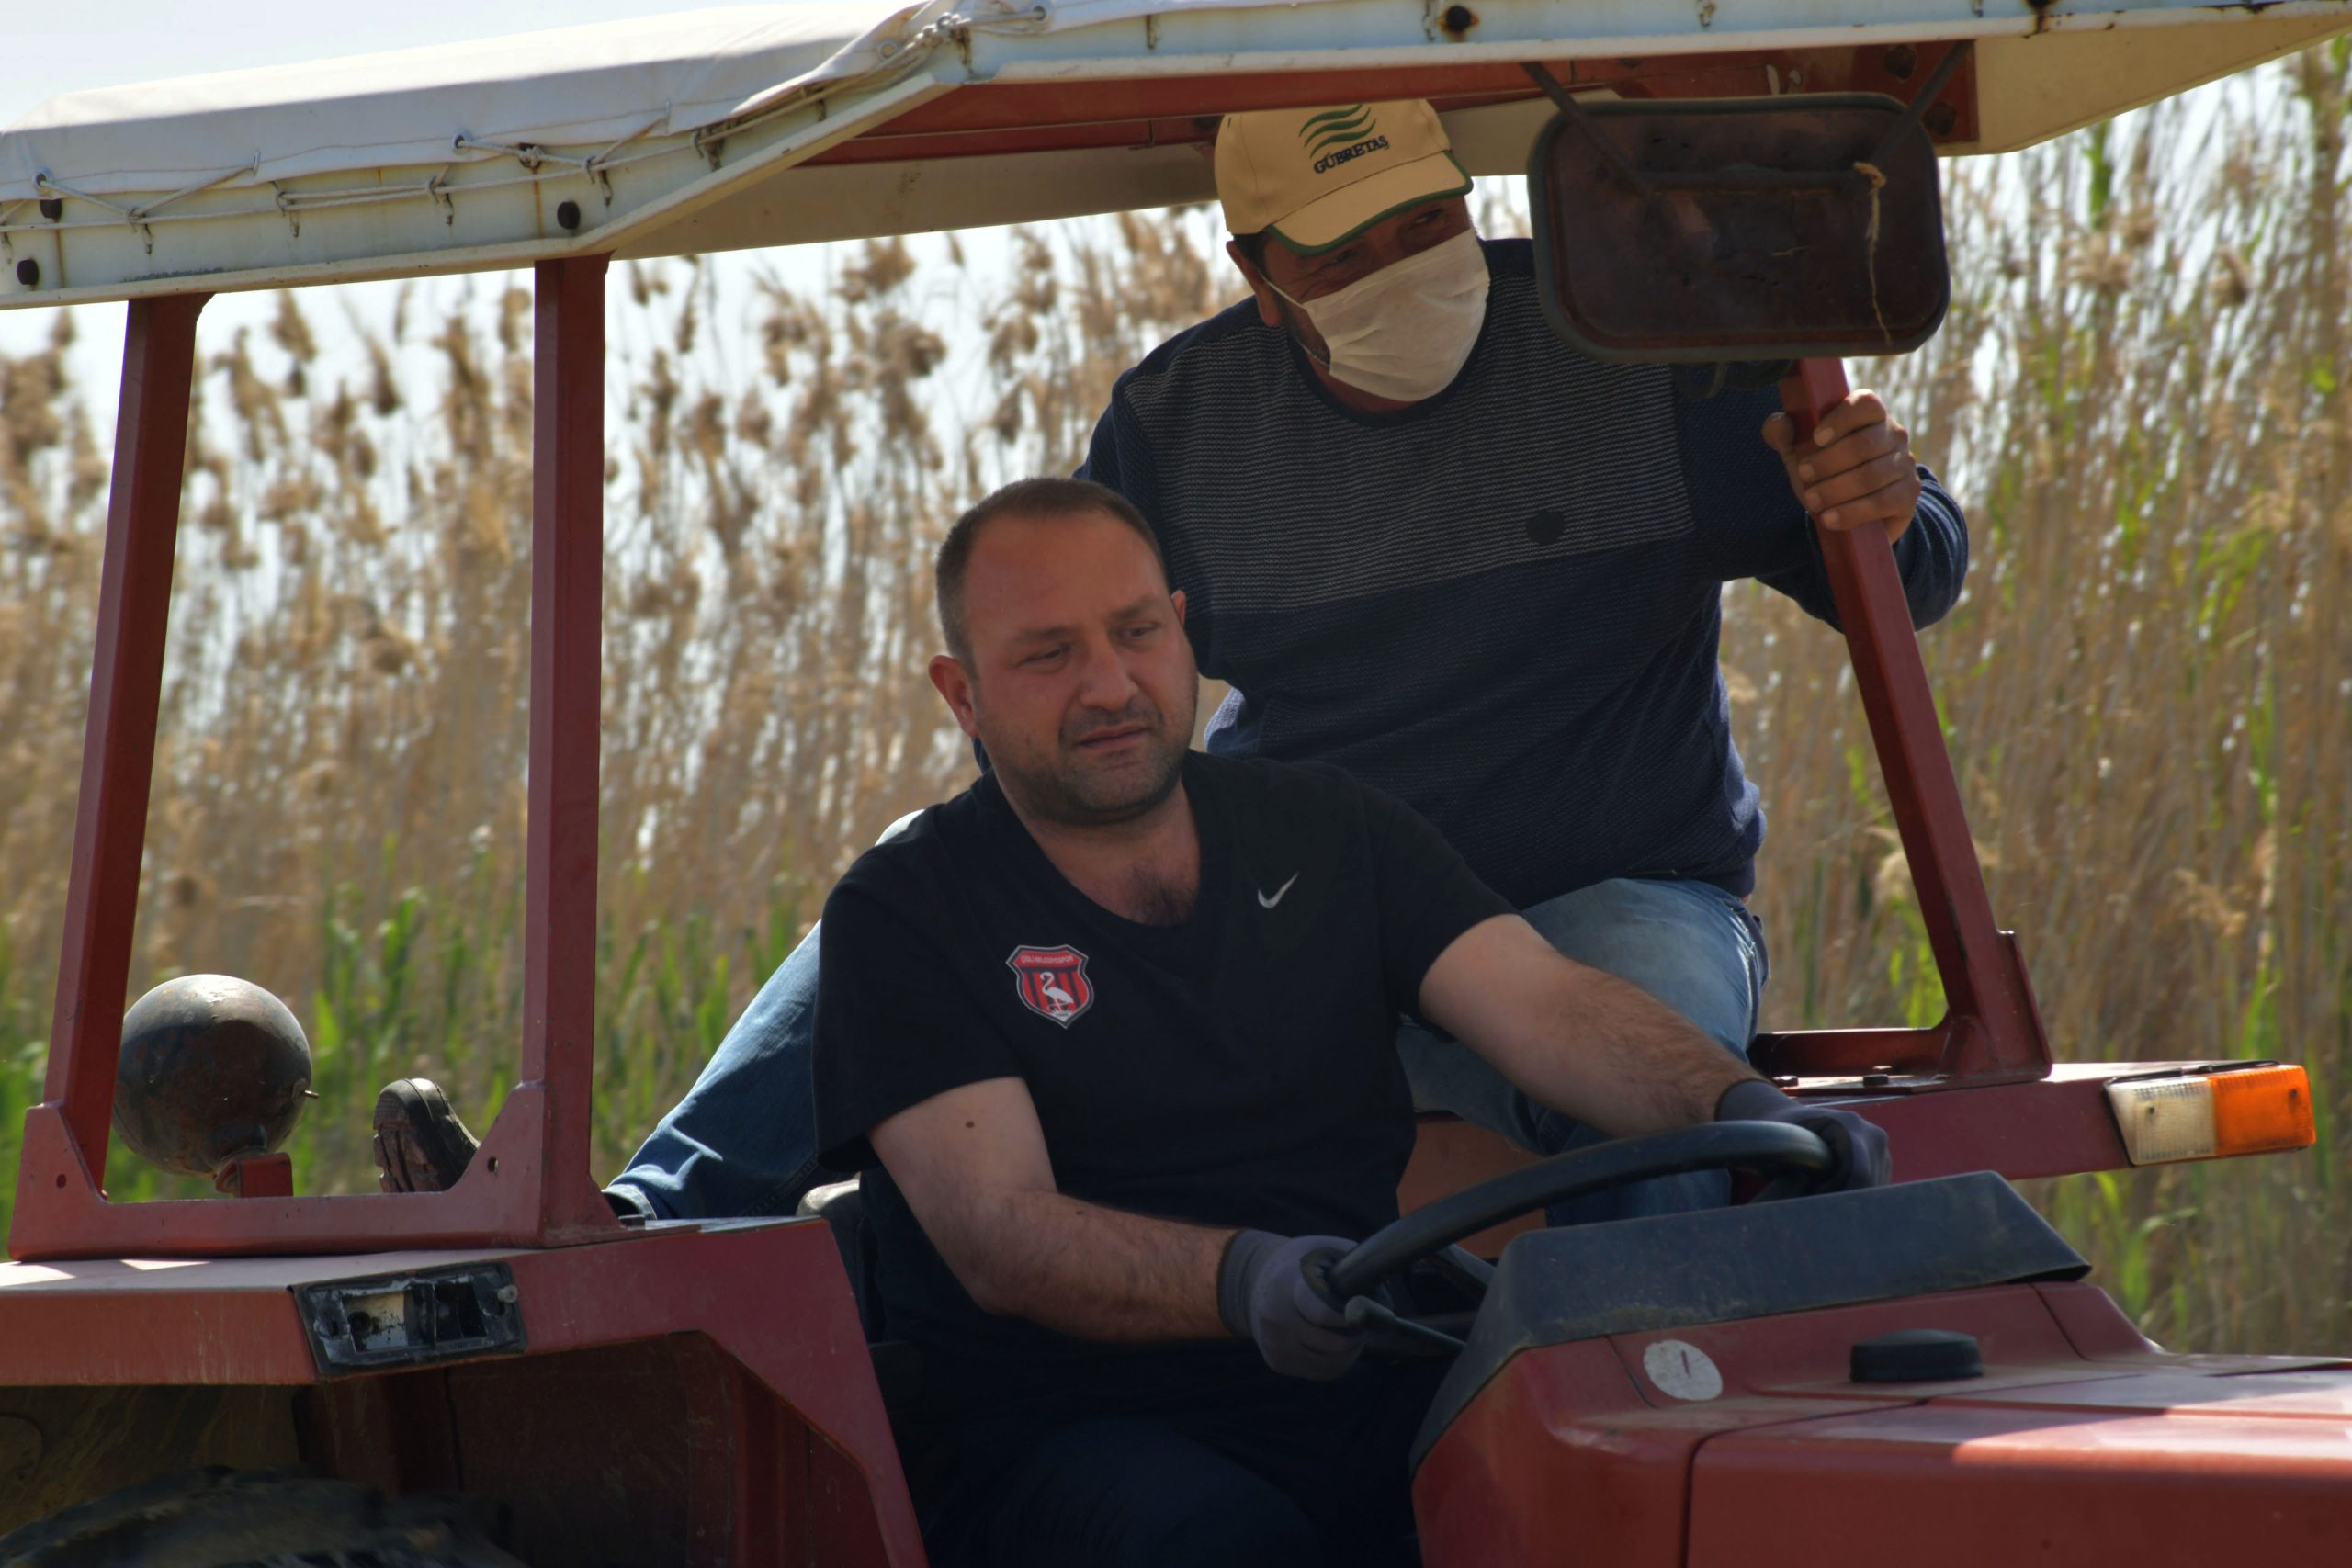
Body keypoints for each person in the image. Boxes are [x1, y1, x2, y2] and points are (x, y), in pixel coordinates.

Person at [376, 98, 1964, 1223]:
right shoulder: (1185, 422)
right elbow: (1092, 694)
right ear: (1260, 274)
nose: (1413, 264)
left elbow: (1907, 572)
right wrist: (1021, 877)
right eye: (1350, 251)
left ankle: (1649, 1389)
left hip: (1605, 874)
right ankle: (642, 1220)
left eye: (1431, 220)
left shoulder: (1639, 355)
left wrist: (1881, 507)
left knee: (1660, 1027)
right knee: (910, 902)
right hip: (1306, 900)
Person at [813, 476, 1888, 1565]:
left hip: (1353, 1368)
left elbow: (1548, 1004)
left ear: (1180, 632)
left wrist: (1741, 1103)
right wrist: (1244, 1281)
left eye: (1135, 632)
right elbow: (1001, 1234)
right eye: (1047, 655)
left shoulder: (1328, 831)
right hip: (1066, 1436)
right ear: (962, 692)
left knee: (1612, 1490)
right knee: (1219, 1538)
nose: (1109, 685)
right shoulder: (906, 911)